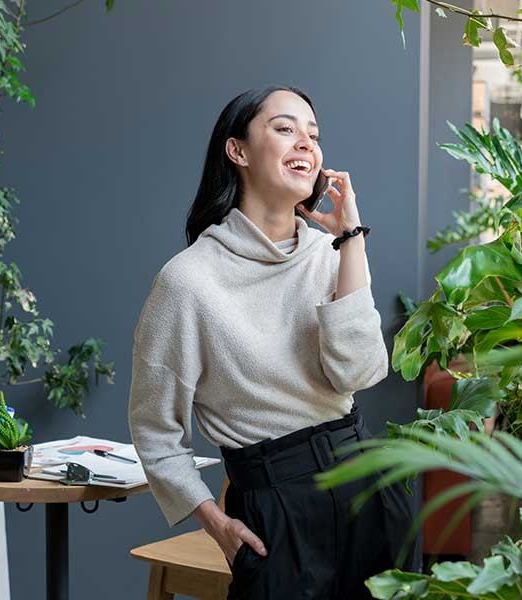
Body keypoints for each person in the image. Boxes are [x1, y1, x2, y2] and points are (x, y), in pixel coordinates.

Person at [128, 84, 416, 599]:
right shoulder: (188, 282)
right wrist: (215, 523)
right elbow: (154, 430)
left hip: (366, 485)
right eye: (284, 128)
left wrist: (351, 239)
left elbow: (359, 373)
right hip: (274, 507)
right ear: (237, 150)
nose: (305, 142)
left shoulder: (332, 253)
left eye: (313, 134)